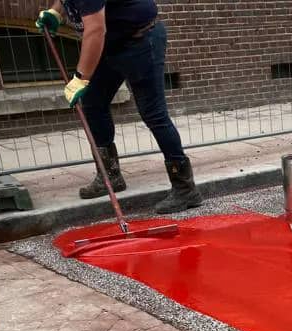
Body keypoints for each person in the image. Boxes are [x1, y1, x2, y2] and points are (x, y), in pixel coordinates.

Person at [36, 1, 202, 213]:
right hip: (110, 45)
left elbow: (95, 30)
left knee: (153, 114)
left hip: (140, 40)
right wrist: (56, 12)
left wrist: (81, 77)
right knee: (93, 103)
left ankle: (185, 188)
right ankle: (110, 175)